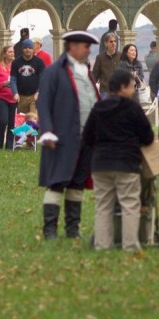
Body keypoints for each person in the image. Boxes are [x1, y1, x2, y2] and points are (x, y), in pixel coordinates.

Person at [81, 66, 155, 251]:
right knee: (130, 203)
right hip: (126, 163)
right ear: (123, 87)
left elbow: (87, 138)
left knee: (103, 205)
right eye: (132, 86)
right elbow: (148, 137)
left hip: (100, 164)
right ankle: (130, 245)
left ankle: (102, 244)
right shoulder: (133, 108)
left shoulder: (98, 107)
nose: (133, 90)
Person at [36, 28, 100, 241]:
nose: (88, 50)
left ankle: (73, 229)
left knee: (77, 183)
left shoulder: (85, 72)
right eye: (85, 46)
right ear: (72, 47)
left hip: (85, 139)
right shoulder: (53, 72)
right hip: (61, 138)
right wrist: (47, 131)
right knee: (57, 182)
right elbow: (43, 103)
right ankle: (50, 230)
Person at [0, 45, 18, 150]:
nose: (12, 53)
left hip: (13, 98)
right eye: (10, 52)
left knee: (12, 123)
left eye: (13, 52)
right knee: (3, 121)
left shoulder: (15, 67)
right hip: (0, 97)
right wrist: (3, 84)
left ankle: (10, 146)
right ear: (4, 54)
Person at [11, 41, 45, 118]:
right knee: (22, 120)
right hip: (21, 96)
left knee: (33, 120)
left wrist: (38, 92)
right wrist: (15, 93)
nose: (27, 50)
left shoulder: (39, 62)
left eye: (29, 48)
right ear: (22, 49)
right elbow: (13, 79)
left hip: (34, 96)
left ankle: (32, 130)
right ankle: (25, 130)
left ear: (33, 49)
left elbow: (43, 79)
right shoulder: (16, 62)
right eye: (25, 48)